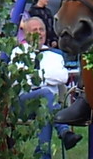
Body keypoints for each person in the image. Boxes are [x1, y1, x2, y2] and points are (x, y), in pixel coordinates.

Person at [16, 17, 81, 153]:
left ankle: (43, 153)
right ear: (26, 34)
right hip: (23, 104)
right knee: (46, 94)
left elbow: (63, 77)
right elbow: (20, 81)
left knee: (45, 105)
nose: (39, 33)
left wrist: (36, 76)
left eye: (42, 30)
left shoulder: (54, 55)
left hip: (48, 105)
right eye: (35, 30)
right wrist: (48, 76)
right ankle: (63, 131)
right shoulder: (18, 53)